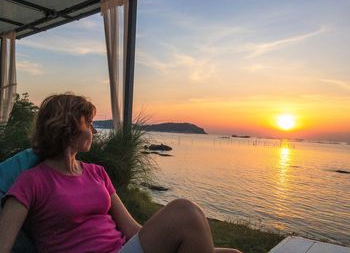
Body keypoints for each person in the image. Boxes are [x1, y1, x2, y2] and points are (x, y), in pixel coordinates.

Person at [0, 93, 242, 253]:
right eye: (90, 123)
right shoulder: (31, 181)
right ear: (69, 126)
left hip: (121, 249)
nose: (94, 130)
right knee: (185, 211)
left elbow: (132, 230)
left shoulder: (97, 173)